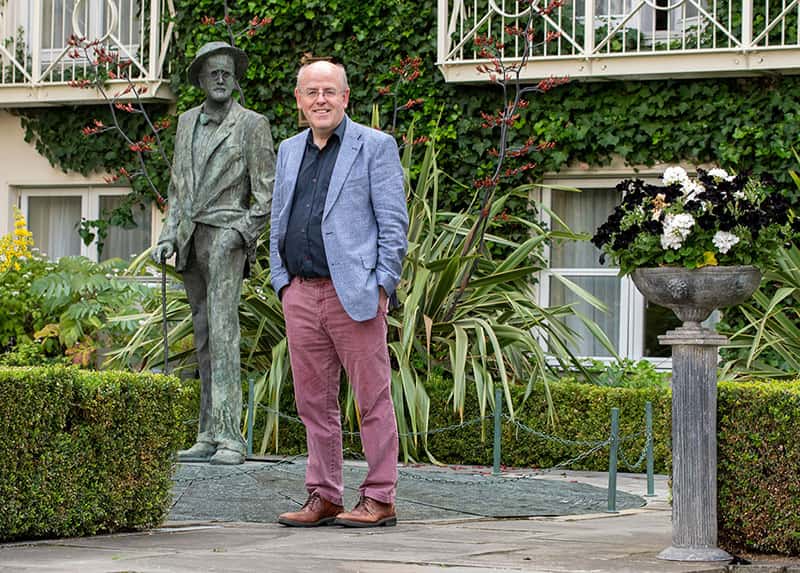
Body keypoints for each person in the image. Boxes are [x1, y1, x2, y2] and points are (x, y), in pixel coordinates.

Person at [270, 60, 408, 527]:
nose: (321, 100)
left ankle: (380, 497)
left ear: (345, 97)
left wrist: (383, 285)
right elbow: (278, 219)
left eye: (329, 91)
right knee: (313, 403)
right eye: (311, 92)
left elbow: (394, 225)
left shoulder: (375, 146)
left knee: (373, 399)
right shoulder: (289, 150)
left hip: (356, 295)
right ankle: (324, 494)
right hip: (301, 293)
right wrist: (282, 282)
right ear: (299, 100)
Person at [153, 41, 275, 465]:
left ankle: (230, 438)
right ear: (201, 80)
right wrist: (168, 234)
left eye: (227, 72)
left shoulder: (252, 125)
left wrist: (239, 233)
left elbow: (267, 195)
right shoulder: (187, 121)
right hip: (190, 239)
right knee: (203, 336)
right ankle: (207, 433)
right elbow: (179, 186)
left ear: (235, 79)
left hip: (226, 237)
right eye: (213, 73)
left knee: (224, 335)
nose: (221, 79)